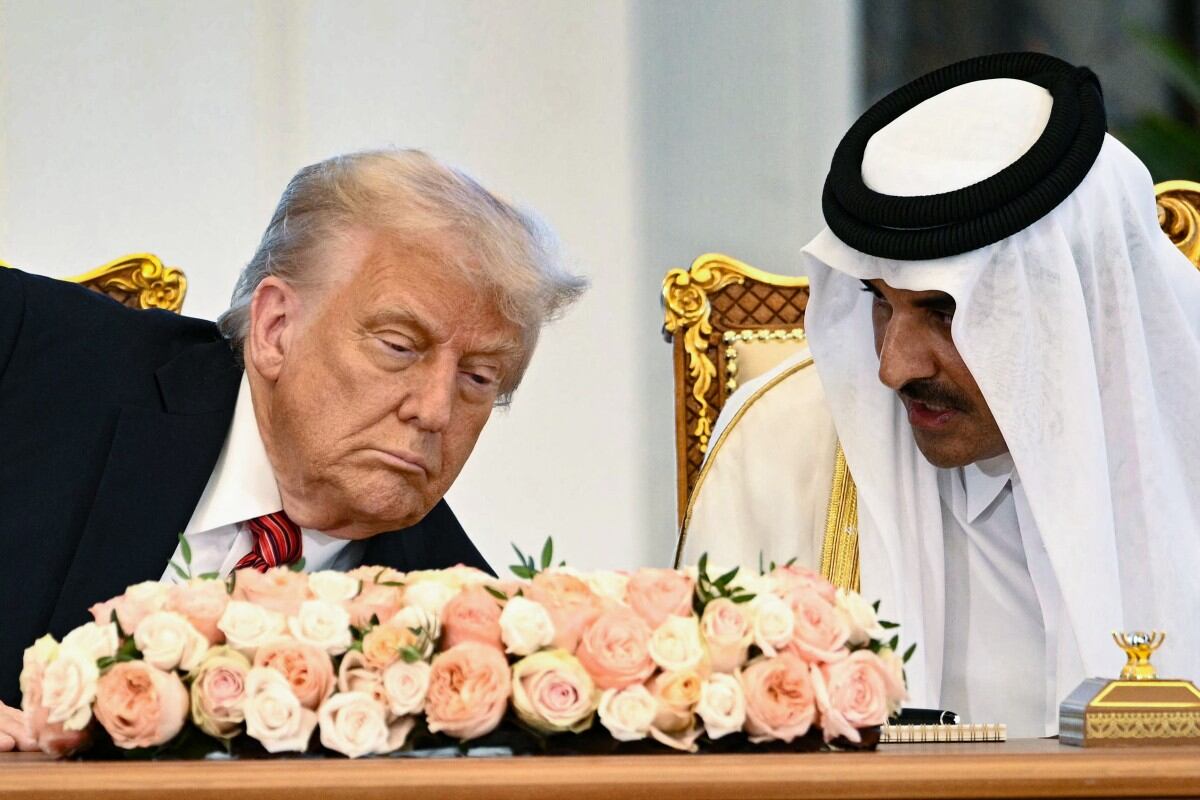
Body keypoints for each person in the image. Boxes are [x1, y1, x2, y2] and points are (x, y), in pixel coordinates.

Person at [679, 52, 1200, 738]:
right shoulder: (777, 444)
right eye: (879, 304)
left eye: (945, 314)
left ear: (1072, 301)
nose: (893, 368)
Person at [0, 149, 585, 739]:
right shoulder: (25, 355)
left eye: (479, 378)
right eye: (399, 346)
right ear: (276, 328)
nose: (434, 410)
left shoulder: (478, 648)